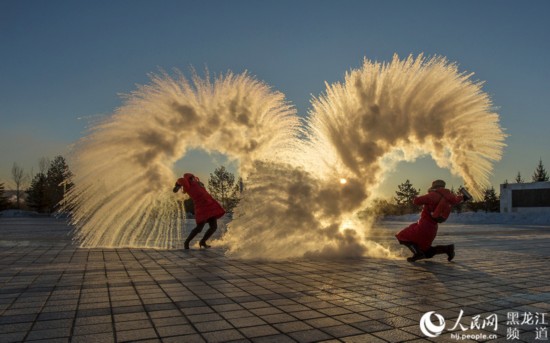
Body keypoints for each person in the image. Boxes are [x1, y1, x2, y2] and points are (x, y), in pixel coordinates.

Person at [395, 179, 470, 262]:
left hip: (423, 226)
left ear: (434, 187)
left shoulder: (432, 195)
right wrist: (463, 197)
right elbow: (458, 199)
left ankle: (418, 253)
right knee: (426, 251)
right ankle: (448, 249)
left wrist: (418, 196)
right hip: (433, 228)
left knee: (402, 236)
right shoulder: (450, 197)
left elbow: (416, 201)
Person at [173, 173, 226, 249]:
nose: (192, 178)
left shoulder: (197, 183)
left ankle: (203, 241)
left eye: (192, 177)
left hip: (210, 205)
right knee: (199, 228)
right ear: (188, 178)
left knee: (213, 227)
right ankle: (187, 242)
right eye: (190, 177)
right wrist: (177, 186)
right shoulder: (186, 183)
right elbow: (181, 181)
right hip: (201, 206)